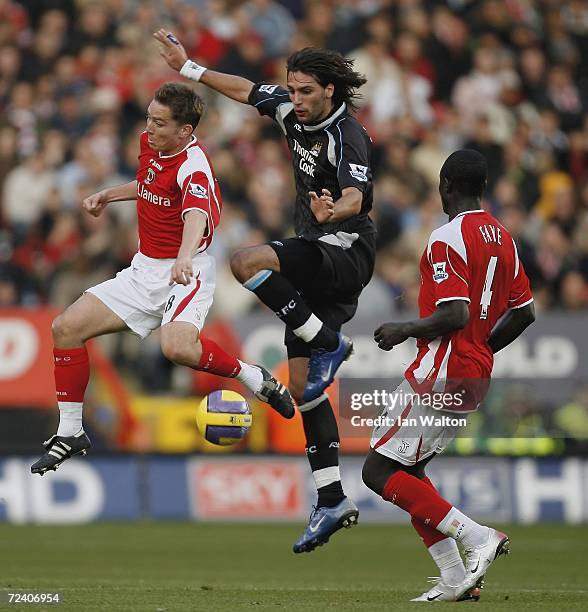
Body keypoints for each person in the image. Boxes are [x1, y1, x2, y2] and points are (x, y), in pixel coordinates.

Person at [154, 30, 376, 552]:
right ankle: (331, 498)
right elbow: (245, 89)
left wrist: (333, 210)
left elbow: (357, 196)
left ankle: (327, 341)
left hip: (344, 250)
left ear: (330, 92)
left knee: (245, 261)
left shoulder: (348, 134)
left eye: (304, 92)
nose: (293, 100)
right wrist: (189, 69)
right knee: (305, 391)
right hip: (316, 253)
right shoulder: (288, 112)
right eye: (291, 90)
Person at [31, 82, 295, 476]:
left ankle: (252, 376)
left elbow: (196, 214)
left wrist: (185, 256)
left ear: (185, 131)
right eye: (149, 118)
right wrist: (109, 194)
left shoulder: (194, 165)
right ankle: (70, 432)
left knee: (177, 348)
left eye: (159, 122)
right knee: (65, 328)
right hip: (144, 271)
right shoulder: (151, 145)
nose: (149, 128)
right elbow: (150, 185)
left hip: (186, 271)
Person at [362, 150, 535, 601]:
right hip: (473, 372)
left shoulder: (446, 237)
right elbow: (525, 313)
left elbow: (455, 313)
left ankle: (477, 536)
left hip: (441, 370)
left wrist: (403, 329)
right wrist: (484, 348)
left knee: (377, 472)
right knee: (410, 469)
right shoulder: (504, 238)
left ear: (445, 186)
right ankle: (456, 577)